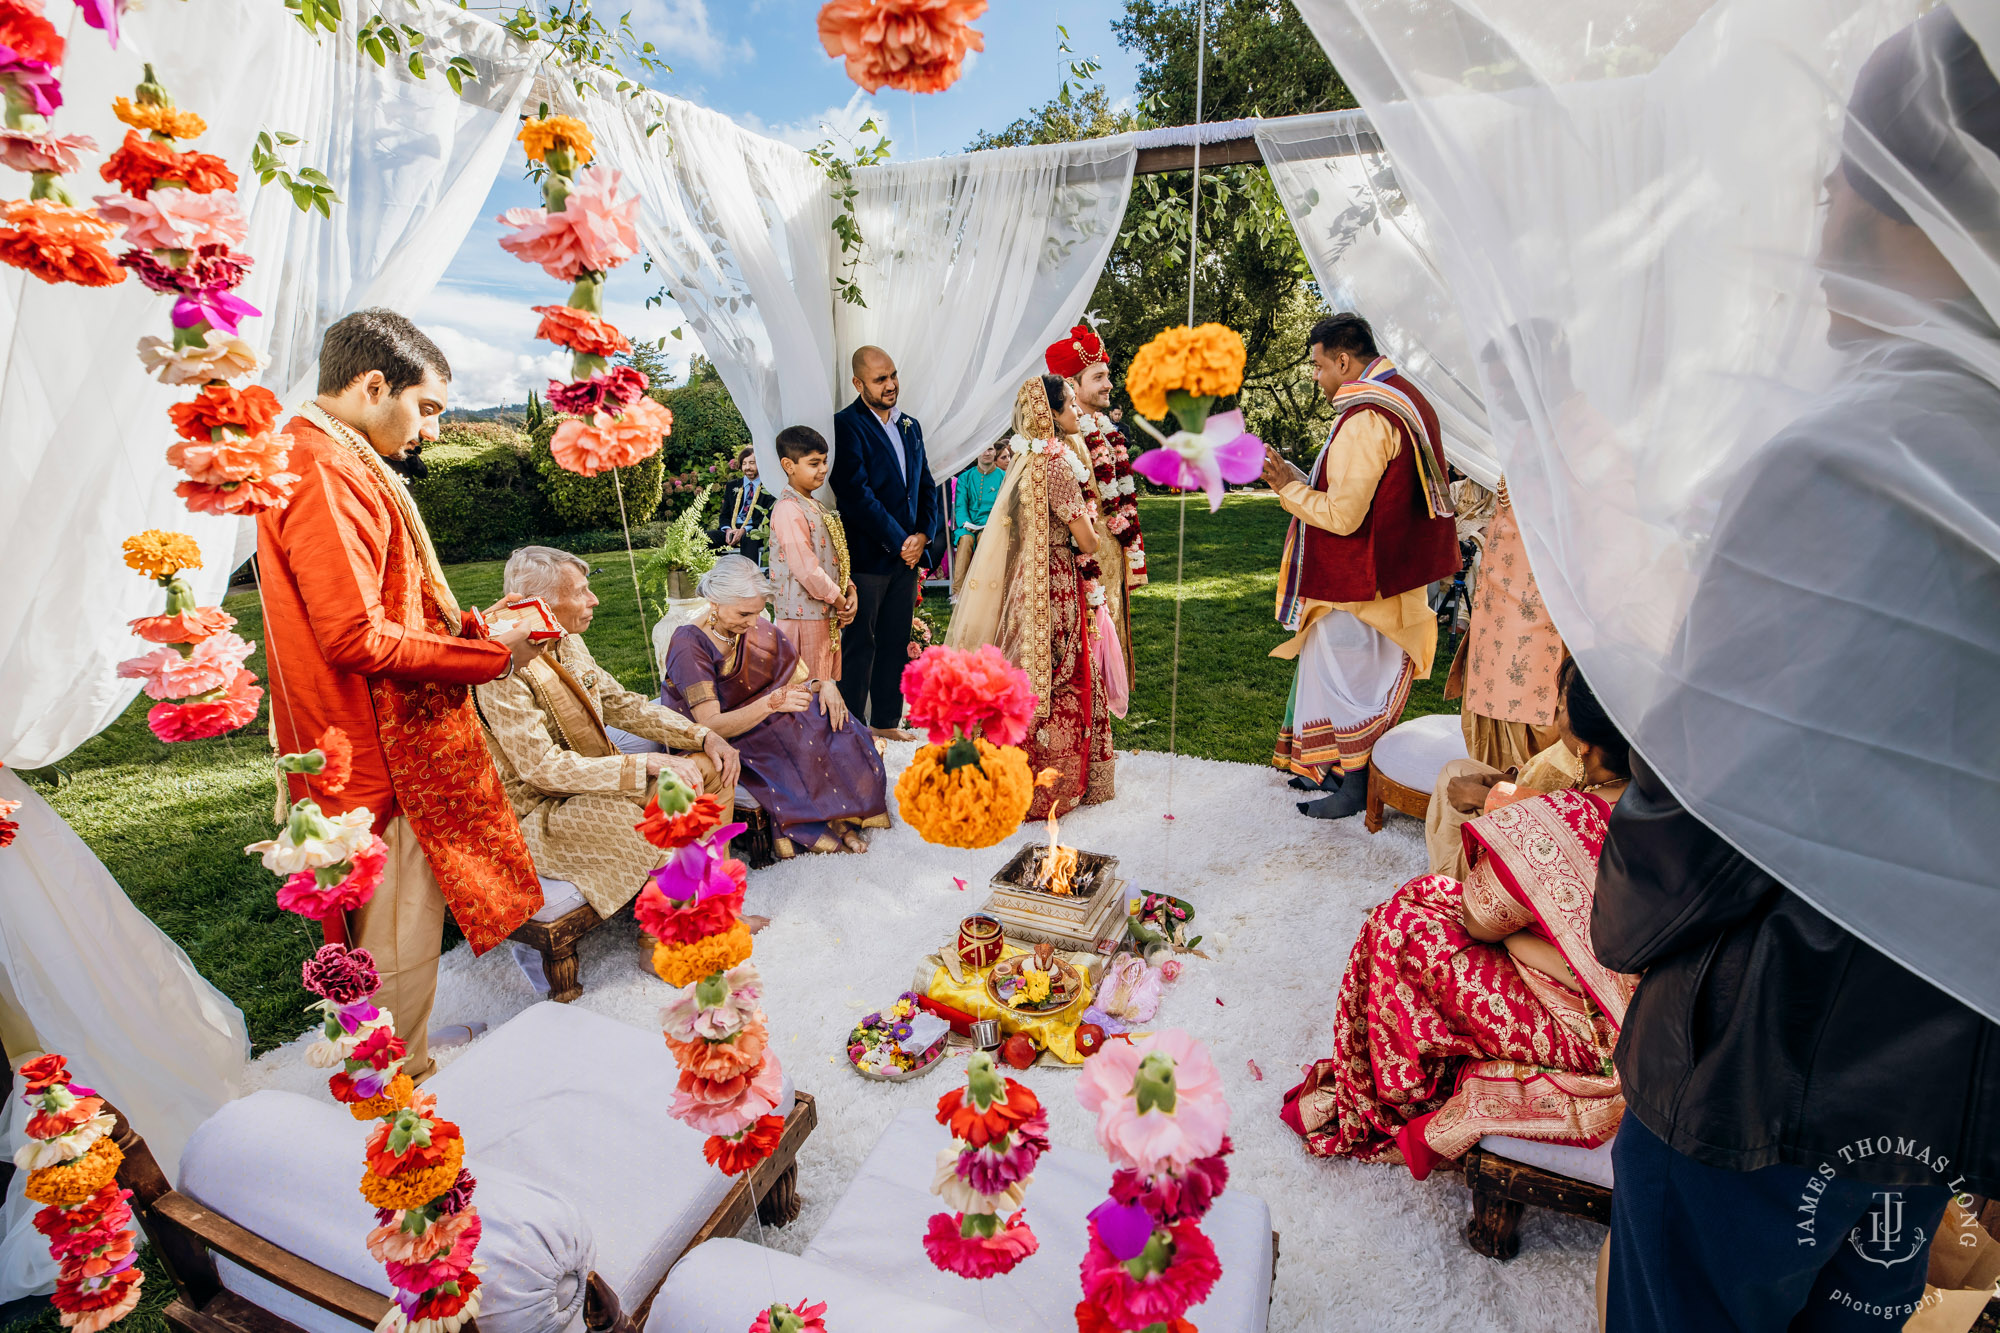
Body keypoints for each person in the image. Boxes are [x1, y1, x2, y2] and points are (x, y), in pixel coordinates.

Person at [1595, 14, 2000, 1328]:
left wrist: (1624, 909)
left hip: (1761, 1069)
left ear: (1896, 204)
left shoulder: (1861, 452)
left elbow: (1706, 815)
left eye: (1833, 172)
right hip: (1932, 1071)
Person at [257, 309, 541, 1081]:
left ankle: (398, 1054)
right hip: (369, 741)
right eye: (429, 408)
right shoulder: (323, 466)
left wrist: (469, 628)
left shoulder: (328, 452)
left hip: (370, 731)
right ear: (372, 384)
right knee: (396, 924)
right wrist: (483, 653)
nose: (435, 432)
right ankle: (394, 1083)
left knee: (395, 922)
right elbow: (356, 635)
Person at [1280, 662, 1636, 1174]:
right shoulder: (1667, 808)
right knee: (1427, 896)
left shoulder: (1563, 820)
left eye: (1558, 710)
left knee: (1400, 930)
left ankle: (1402, 1095)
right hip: (1633, 1014)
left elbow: (1481, 920)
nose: (1555, 718)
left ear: (1583, 743)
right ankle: (1415, 1067)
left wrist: (1519, 944)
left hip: (1593, 1035)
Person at [474, 546, 742, 923]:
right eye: (581, 591)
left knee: (710, 767)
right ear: (540, 604)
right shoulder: (500, 666)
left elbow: (622, 704)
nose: (594, 599)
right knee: (645, 814)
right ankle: (665, 935)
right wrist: (642, 764)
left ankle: (713, 902)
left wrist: (701, 735)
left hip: (595, 780)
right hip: (541, 810)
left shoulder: (566, 639)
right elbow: (541, 769)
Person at [1262, 313, 1459, 820]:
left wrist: (1287, 488)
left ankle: (1356, 784)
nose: (1316, 376)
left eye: (1318, 364)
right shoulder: (1403, 399)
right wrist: (1299, 479)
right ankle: (1341, 772)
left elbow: (1345, 516)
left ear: (1344, 360)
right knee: (1355, 676)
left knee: (1352, 683)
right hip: (1390, 574)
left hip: (1360, 584)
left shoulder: (1368, 416)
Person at [947, 376, 1115, 818]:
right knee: (1061, 671)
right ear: (1052, 415)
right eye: (1071, 406)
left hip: (1025, 579)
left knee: (1023, 665)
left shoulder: (1022, 460)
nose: (1078, 412)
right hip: (1056, 579)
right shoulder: (1057, 466)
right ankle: (1049, 786)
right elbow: (1090, 541)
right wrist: (1091, 534)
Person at [661, 557, 890, 857]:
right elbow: (710, 725)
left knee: (836, 725)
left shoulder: (753, 628)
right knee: (798, 746)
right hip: (720, 739)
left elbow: (796, 681)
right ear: (715, 601)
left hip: (765, 716)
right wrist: (772, 704)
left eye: (757, 613)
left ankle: (843, 817)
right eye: (744, 613)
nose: (753, 623)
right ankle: (828, 828)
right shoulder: (689, 645)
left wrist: (824, 685)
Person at [830, 346, 943, 739]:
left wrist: (923, 536)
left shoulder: (910, 425)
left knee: (896, 641)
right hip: (868, 555)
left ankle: (885, 723)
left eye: (893, 374)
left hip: (906, 559)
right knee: (860, 645)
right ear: (859, 383)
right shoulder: (845, 425)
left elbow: (926, 486)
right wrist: (900, 541)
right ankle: (851, 730)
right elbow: (855, 495)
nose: (891, 384)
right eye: (880, 379)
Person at [1046, 322, 1147, 673]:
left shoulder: (1106, 431)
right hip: (1080, 560)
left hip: (1111, 555)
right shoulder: (1065, 441)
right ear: (1072, 385)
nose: (1109, 384)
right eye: (1099, 377)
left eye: (1107, 375)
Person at [768, 425, 857, 680]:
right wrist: (841, 601)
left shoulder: (815, 505)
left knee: (825, 688)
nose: (823, 469)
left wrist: (850, 591)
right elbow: (806, 568)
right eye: (814, 463)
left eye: (825, 461)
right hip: (801, 619)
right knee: (807, 691)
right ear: (789, 465)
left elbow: (833, 556)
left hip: (824, 614)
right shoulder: (788, 509)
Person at [950, 437, 1007, 600]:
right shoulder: (965, 478)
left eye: (989, 449)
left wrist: (991, 525)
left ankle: (985, 589)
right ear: (975, 453)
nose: (986, 453)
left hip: (992, 526)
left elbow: (1004, 507)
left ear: (995, 451)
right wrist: (965, 523)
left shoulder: (1003, 477)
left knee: (985, 538)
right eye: (982, 449)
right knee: (966, 539)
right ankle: (958, 592)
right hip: (967, 524)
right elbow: (960, 505)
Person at [708, 446, 775, 566]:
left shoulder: (768, 487)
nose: (747, 467)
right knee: (704, 537)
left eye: (752, 463)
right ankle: (715, 576)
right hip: (731, 529)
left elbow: (767, 516)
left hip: (753, 529)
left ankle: (748, 579)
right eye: (744, 463)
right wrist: (728, 530)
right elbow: (724, 515)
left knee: (749, 538)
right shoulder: (732, 485)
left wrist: (744, 530)